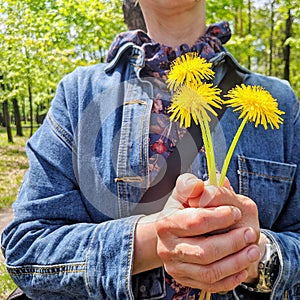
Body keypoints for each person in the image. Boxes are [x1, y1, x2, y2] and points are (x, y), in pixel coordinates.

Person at [1, 1, 300, 299]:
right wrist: (151, 239)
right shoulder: (77, 95)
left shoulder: (282, 102)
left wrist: (260, 256)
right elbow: (25, 247)